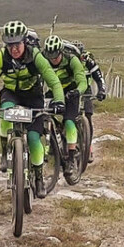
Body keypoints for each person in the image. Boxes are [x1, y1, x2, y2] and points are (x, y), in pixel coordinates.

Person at [0, 21, 65, 198]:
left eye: (17, 44)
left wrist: (59, 101)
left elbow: (53, 81)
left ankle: (38, 177)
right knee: (6, 114)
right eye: (9, 45)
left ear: (24, 42)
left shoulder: (35, 56)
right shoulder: (1, 56)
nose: (13, 49)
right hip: (11, 94)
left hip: (33, 96)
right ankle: (5, 152)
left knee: (34, 138)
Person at [42, 35, 86, 180]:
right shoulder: (44, 60)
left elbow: (82, 81)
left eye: (55, 55)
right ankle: (53, 141)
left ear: (61, 51)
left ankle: (71, 159)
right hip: (53, 92)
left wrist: (78, 91)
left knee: (69, 121)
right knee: (43, 116)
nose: (53, 59)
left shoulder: (72, 60)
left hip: (71, 92)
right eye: (50, 56)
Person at [64, 40, 106, 163]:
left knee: (88, 115)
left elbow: (99, 78)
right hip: (71, 89)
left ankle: (89, 147)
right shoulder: (67, 61)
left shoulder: (88, 60)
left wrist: (101, 90)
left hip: (85, 90)